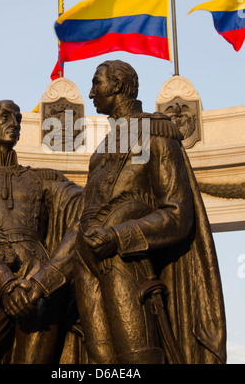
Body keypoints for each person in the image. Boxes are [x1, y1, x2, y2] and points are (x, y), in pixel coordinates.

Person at [73, 60, 226, 364]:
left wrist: (118, 235)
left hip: (126, 259)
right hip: (85, 262)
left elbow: (178, 214)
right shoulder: (101, 150)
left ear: (117, 85)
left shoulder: (156, 132)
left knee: (138, 360)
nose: (91, 94)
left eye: (96, 83)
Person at [0, 100, 83, 364]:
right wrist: (6, 286)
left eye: (18, 118)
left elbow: (86, 208)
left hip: (39, 283)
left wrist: (46, 279)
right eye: (5, 117)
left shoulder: (43, 179)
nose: (15, 124)